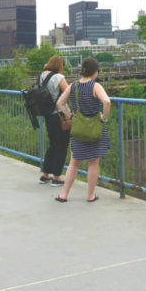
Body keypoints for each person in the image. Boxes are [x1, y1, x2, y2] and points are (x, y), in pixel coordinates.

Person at [53, 57, 110, 202]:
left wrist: (71, 116)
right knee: (93, 162)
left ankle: (64, 194)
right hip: (94, 128)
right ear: (95, 72)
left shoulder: (73, 86)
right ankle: (90, 195)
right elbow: (107, 101)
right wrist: (103, 117)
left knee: (74, 162)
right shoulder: (95, 86)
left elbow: (60, 102)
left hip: (79, 127)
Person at [38, 55, 70, 186]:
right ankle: (57, 176)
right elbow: (69, 92)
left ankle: (45, 174)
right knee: (62, 145)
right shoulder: (58, 77)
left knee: (53, 144)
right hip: (60, 115)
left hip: (48, 114)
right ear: (59, 65)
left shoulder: (42, 75)